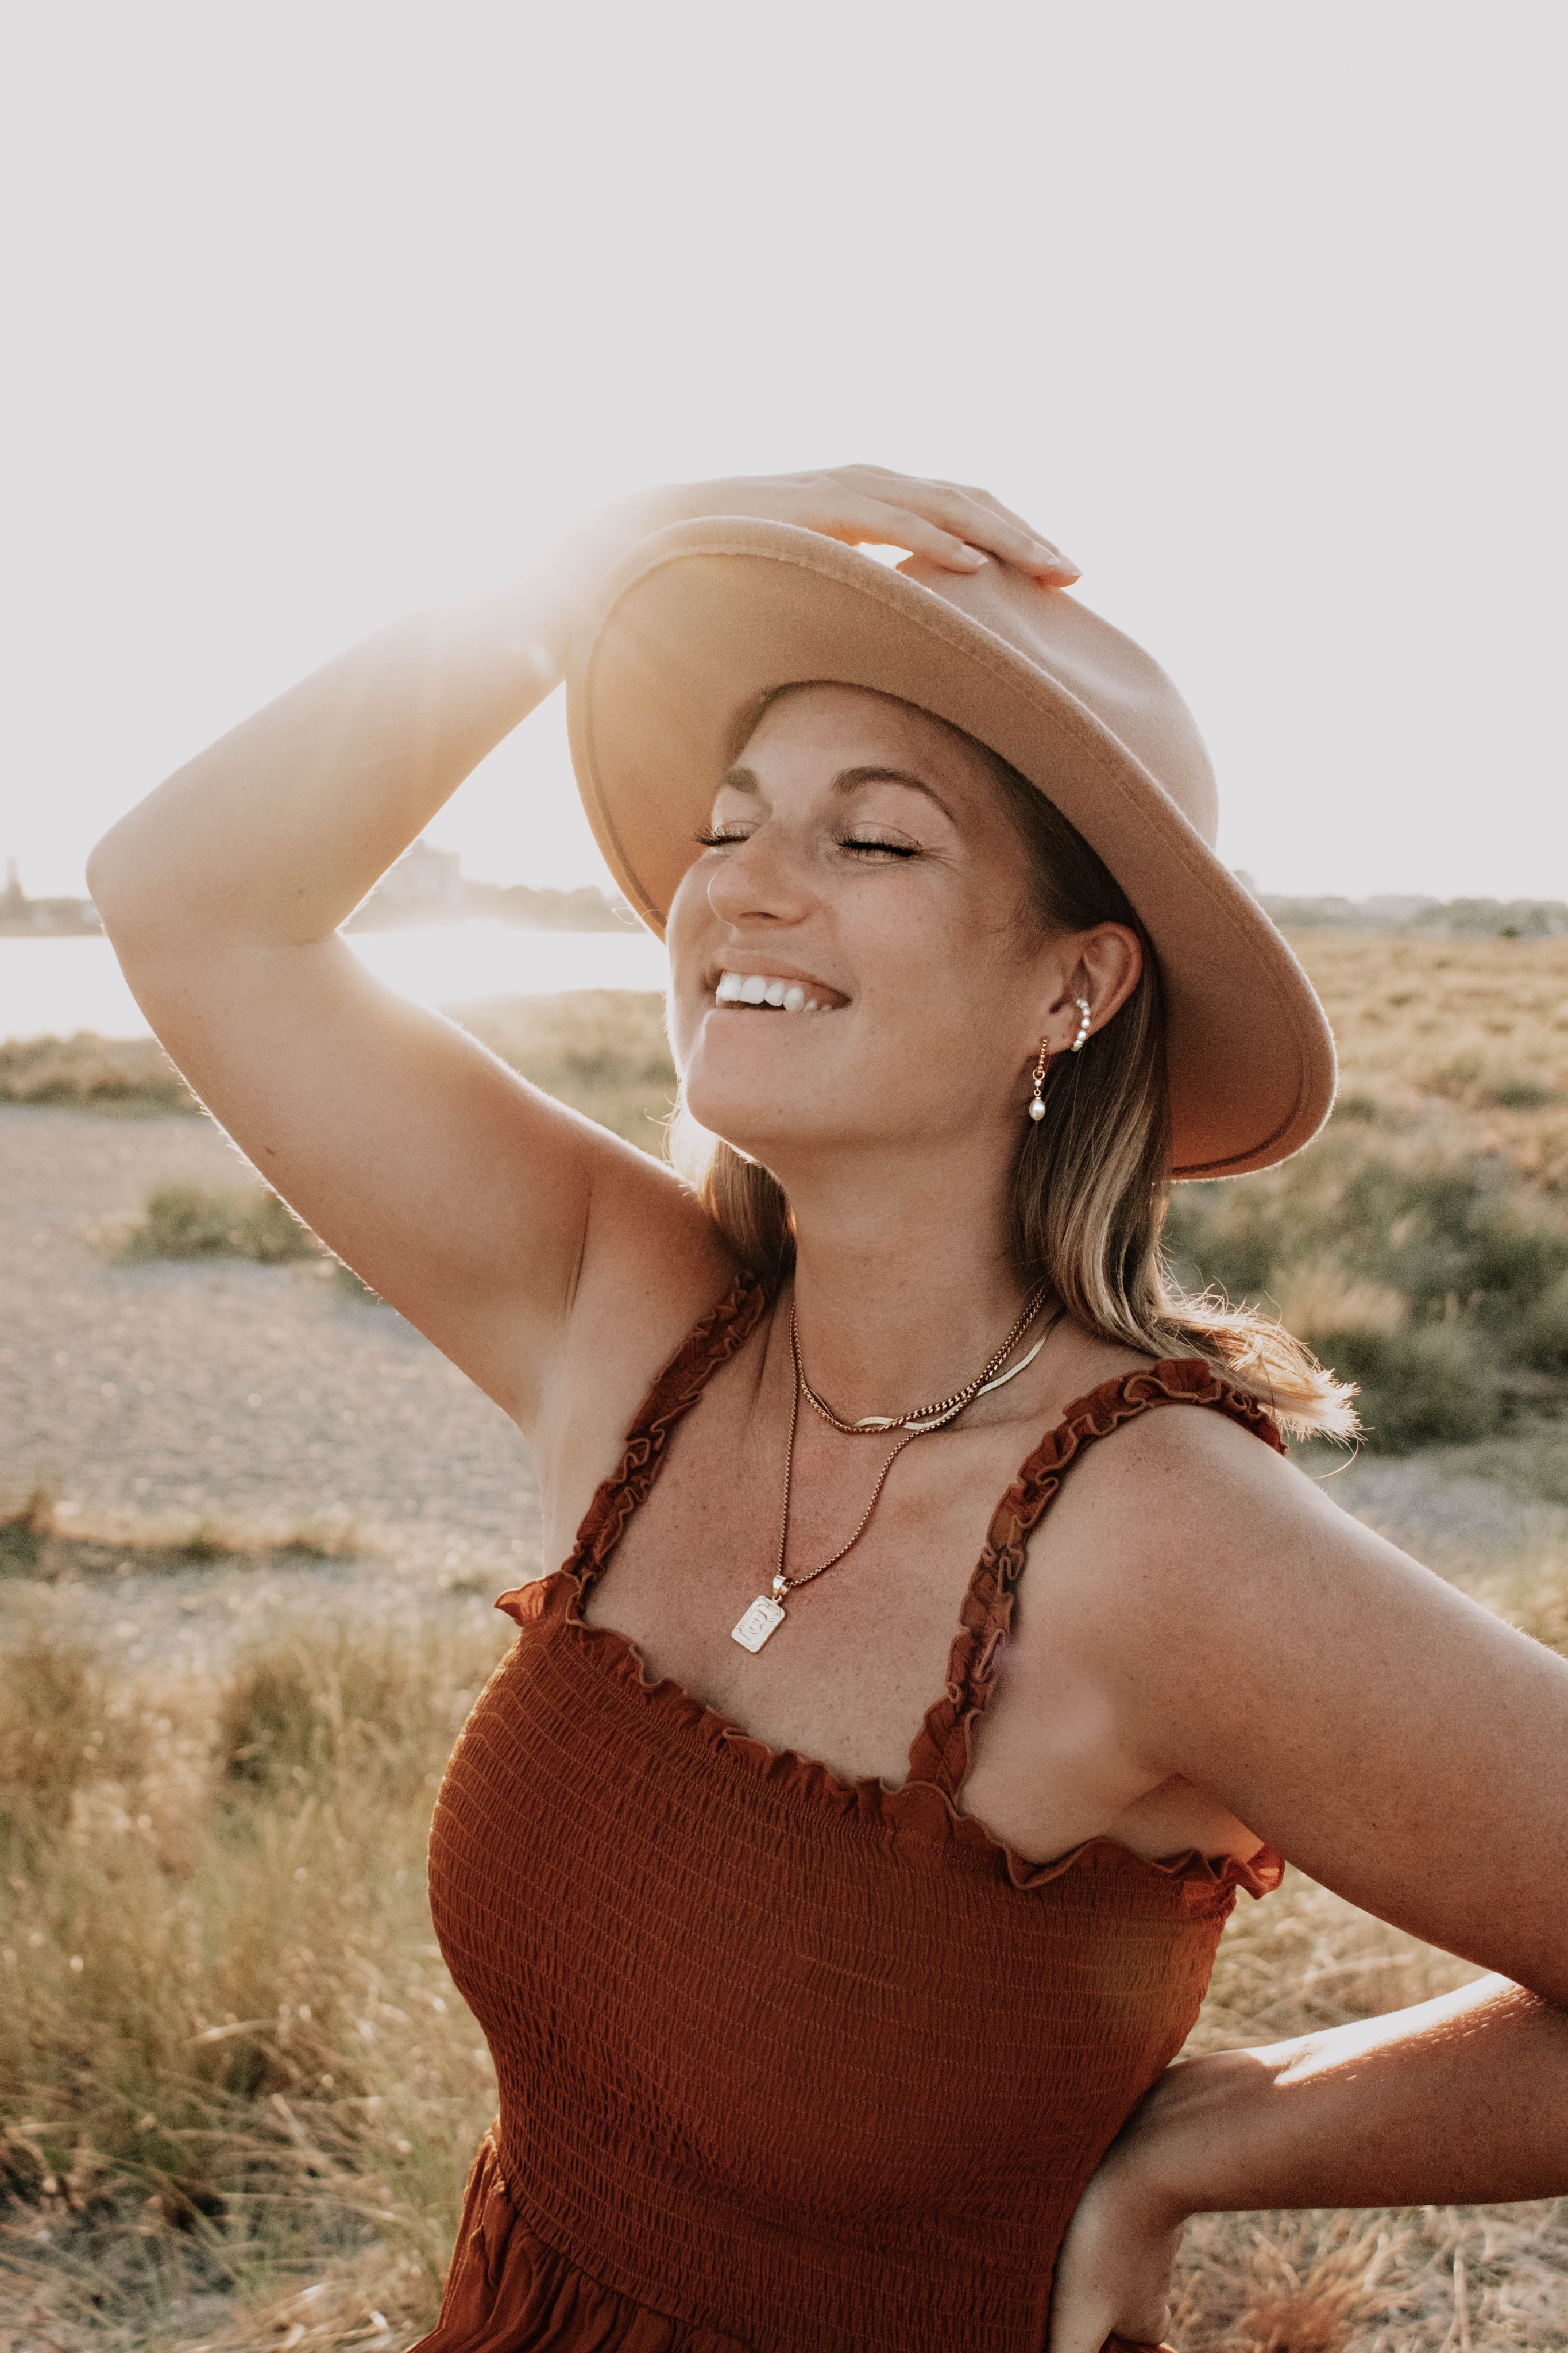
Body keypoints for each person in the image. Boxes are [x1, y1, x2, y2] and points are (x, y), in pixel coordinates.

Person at [88, 467, 1568, 2353]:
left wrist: (1205, 2147)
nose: (745, 889)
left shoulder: (1158, 1542)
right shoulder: (631, 1328)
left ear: (1074, 986)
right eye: (730, 823)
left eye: (873, 845)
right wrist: (592, 570)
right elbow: (192, 904)